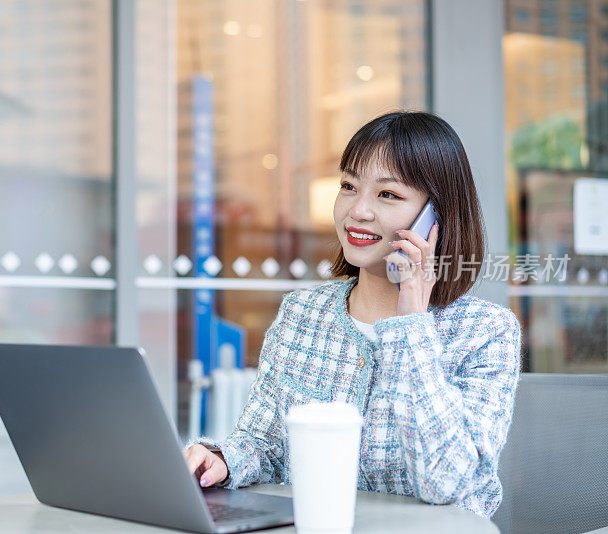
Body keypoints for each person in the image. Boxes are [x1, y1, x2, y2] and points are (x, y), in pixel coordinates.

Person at [182, 110, 522, 519]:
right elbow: (265, 445)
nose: (357, 211)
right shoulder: (303, 313)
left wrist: (410, 321)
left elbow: (445, 482)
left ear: (436, 218)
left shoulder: (485, 331)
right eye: (349, 186)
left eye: (388, 195)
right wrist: (224, 461)